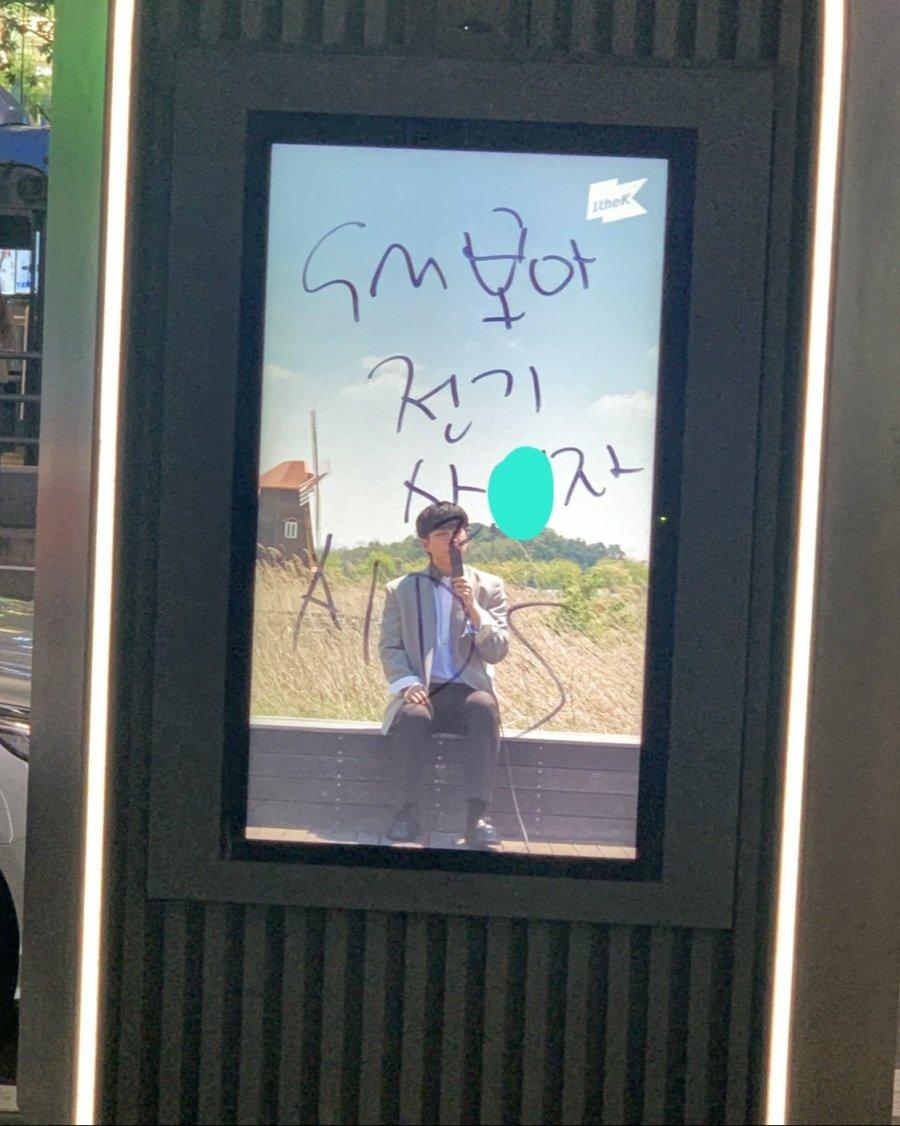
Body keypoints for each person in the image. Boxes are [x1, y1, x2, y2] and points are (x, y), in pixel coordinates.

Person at [378, 501, 509, 848]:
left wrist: (475, 610)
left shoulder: (490, 587)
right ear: (425, 543)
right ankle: (406, 813)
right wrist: (407, 683)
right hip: (423, 689)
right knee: (412, 717)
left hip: (467, 689)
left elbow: (497, 651)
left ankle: (477, 817)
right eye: (443, 533)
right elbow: (390, 647)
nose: (454, 539)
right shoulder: (401, 589)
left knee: (484, 707)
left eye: (459, 531)